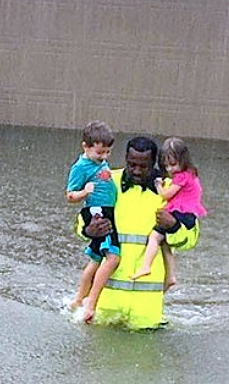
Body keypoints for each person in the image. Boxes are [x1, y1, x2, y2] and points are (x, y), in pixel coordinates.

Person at [78, 136, 200, 329]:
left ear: (156, 164)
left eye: (144, 166)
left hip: (146, 313)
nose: (137, 170)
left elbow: (190, 238)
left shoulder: (171, 189)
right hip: (105, 307)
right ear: (125, 158)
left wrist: (174, 225)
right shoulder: (108, 180)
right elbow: (83, 219)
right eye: (132, 164)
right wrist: (88, 230)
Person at [130, 137, 207, 290]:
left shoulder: (181, 177)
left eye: (173, 164)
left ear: (183, 160)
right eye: (166, 166)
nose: (170, 170)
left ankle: (146, 265)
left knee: (155, 236)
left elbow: (166, 195)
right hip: (187, 212)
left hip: (182, 213)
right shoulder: (191, 174)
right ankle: (170, 275)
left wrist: (158, 185)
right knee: (165, 243)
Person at [65, 120, 118, 323]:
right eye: (99, 153)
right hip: (96, 213)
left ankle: (78, 299)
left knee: (96, 258)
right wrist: (84, 192)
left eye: (107, 153)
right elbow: (69, 195)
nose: (103, 157)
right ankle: (89, 302)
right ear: (85, 147)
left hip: (106, 210)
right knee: (112, 257)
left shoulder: (99, 162)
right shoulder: (80, 167)